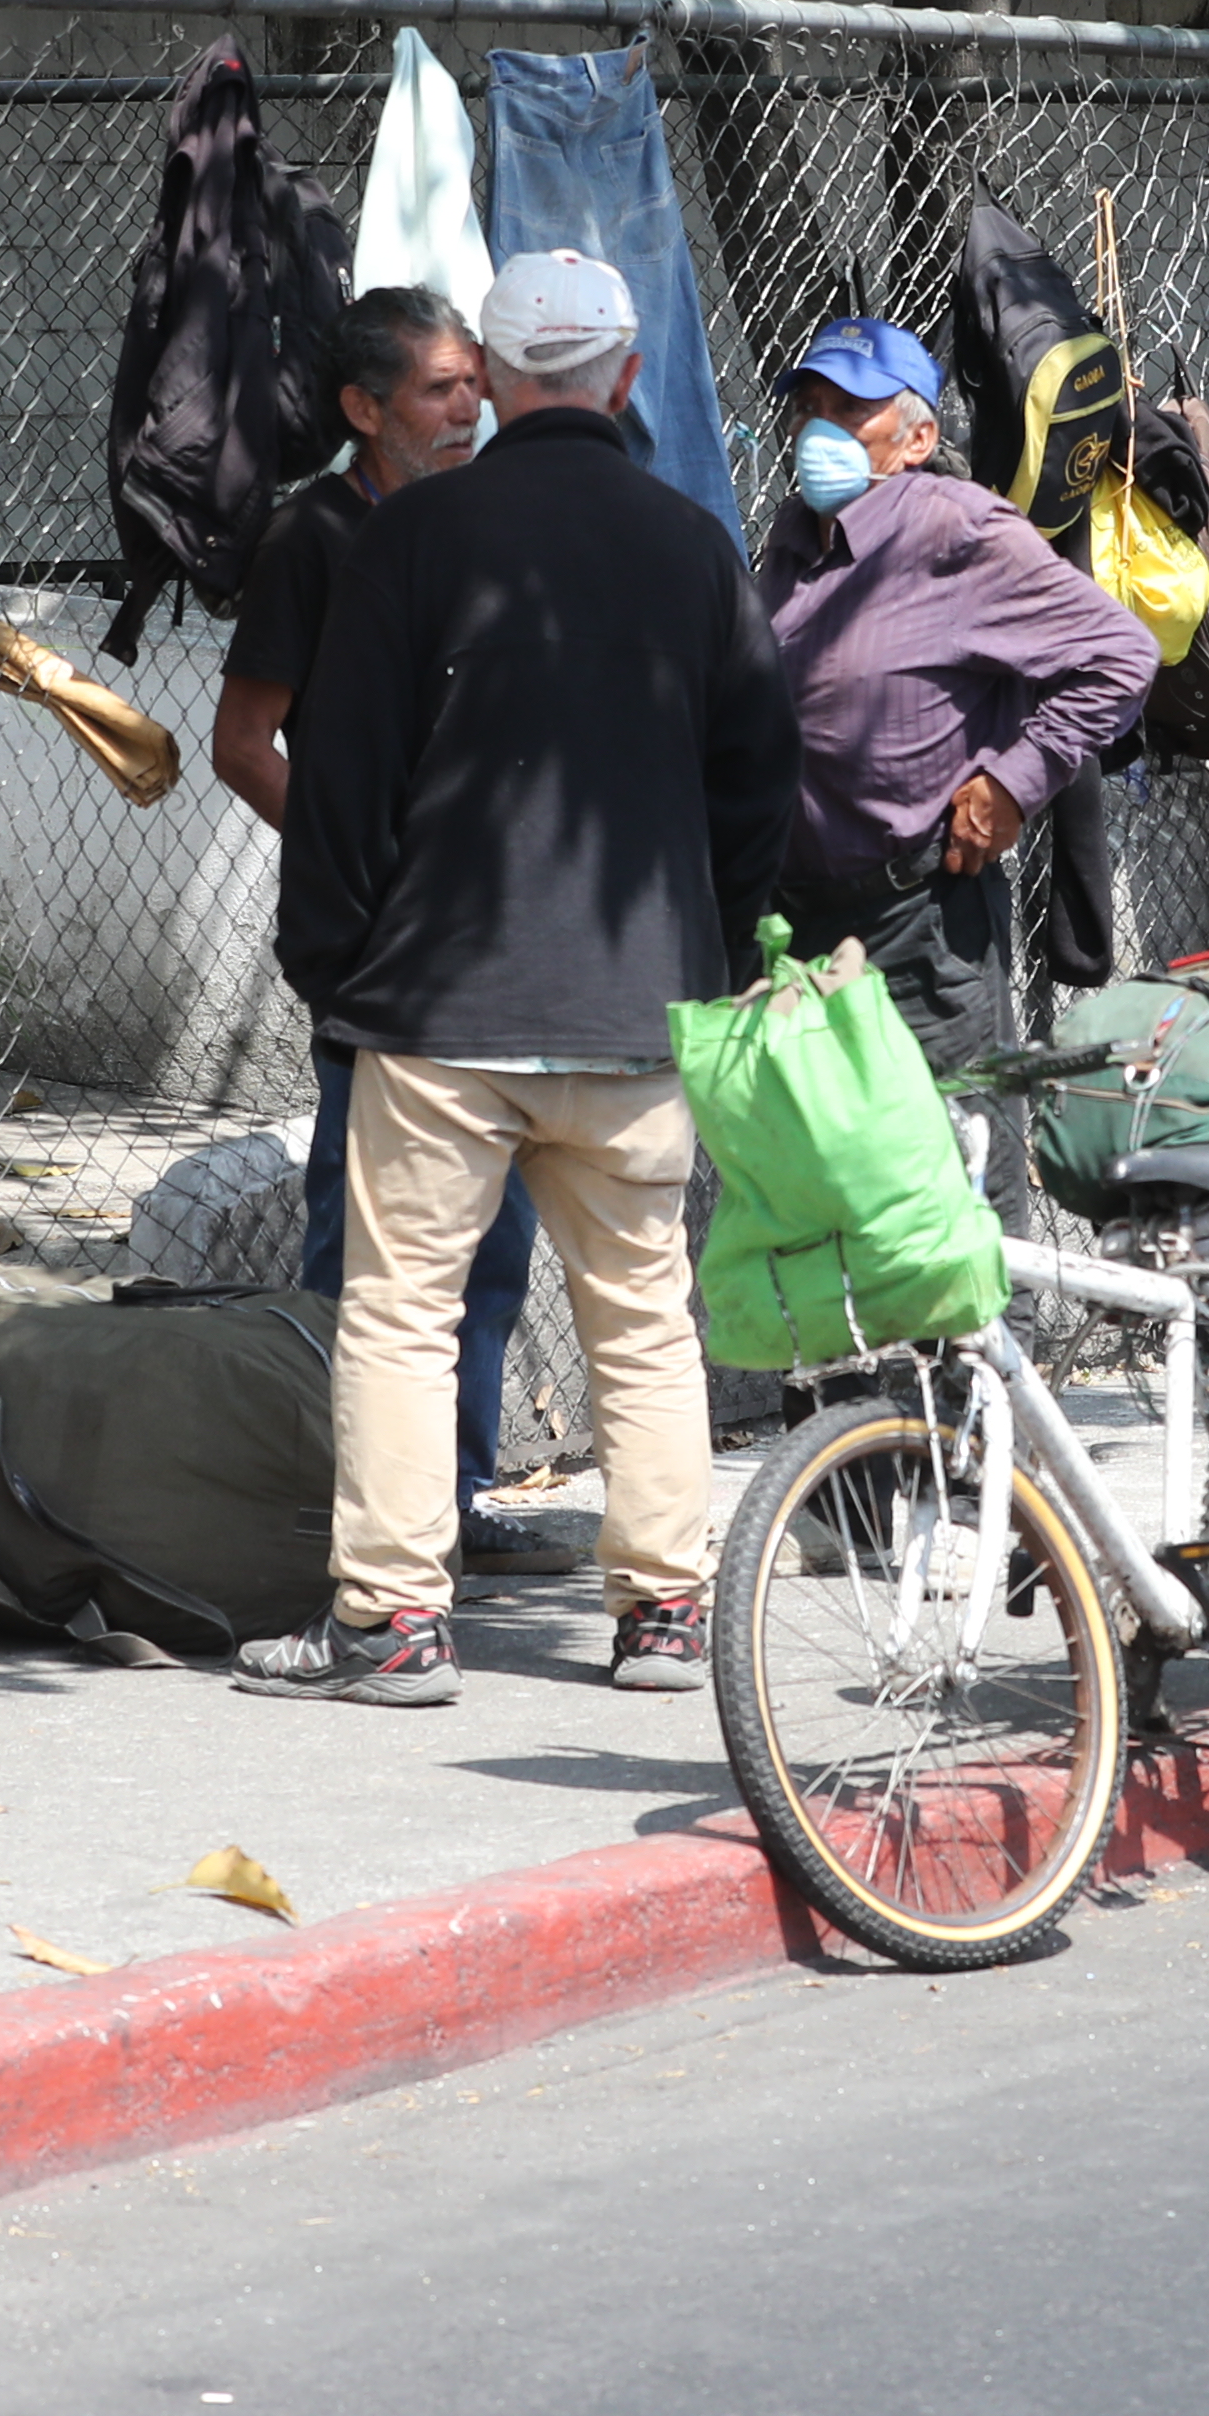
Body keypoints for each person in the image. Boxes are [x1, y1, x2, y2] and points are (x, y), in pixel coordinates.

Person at [249, 249, 796, 1706]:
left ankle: (393, 1625)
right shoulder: (694, 546)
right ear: (626, 377)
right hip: (631, 1018)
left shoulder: (413, 542)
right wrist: (708, 954)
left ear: (489, 378)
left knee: (401, 1318)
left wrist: (339, 969)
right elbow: (757, 786)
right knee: (642, 1318)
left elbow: (342, 784)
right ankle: (668, 1614)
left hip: (438, 1012)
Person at [212, 287, 550, 1566]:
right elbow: (245, 744)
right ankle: (334, 1508)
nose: (467, 408)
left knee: (496, 1236)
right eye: (437, 390)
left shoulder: (485, 527)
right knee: (361, 1237)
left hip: (491, 945)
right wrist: (364, 854)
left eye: (476, 384)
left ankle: (450, 1502)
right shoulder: (319, 539)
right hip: (370, 949)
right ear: (365, 411)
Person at [758, 314, 1152, 1079]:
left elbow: (1121, 654)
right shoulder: (790, 539)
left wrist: (1014, 781)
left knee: (952, 1179)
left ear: (916, 438)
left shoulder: (955, 531)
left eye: (848, 410)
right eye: (806, 406)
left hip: (917, 930)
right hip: (794, 932)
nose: (816, 429)